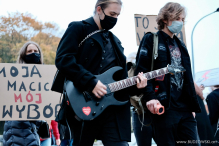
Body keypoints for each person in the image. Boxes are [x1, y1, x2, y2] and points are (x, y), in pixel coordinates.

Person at [54, 0, 147, 146]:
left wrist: (137, 87)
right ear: (99, 9)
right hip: (83, 104)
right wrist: (91, 82)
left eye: (117, 15)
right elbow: (63, 59)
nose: (115, 18)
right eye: (112, 14)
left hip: (112, 111)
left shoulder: (116, 42)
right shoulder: (78, 28)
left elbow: (121, 81)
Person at [135, 2, 201, 146]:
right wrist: (150, 98)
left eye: (182, 20)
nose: (181, 22)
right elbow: (141, 73)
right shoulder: (151, 39)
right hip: (164, 108)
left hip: (185, 110)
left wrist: (191, 106)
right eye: (178, 18)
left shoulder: (181, 45)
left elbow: (187, 77)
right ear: (165, 19)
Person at [3, 41, 44, 146]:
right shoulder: (12, 77)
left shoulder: (43, 80)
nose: (33, 53)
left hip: (31, 133)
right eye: (29, 51)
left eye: (36, 51)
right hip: (15, 131)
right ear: (23, 55)